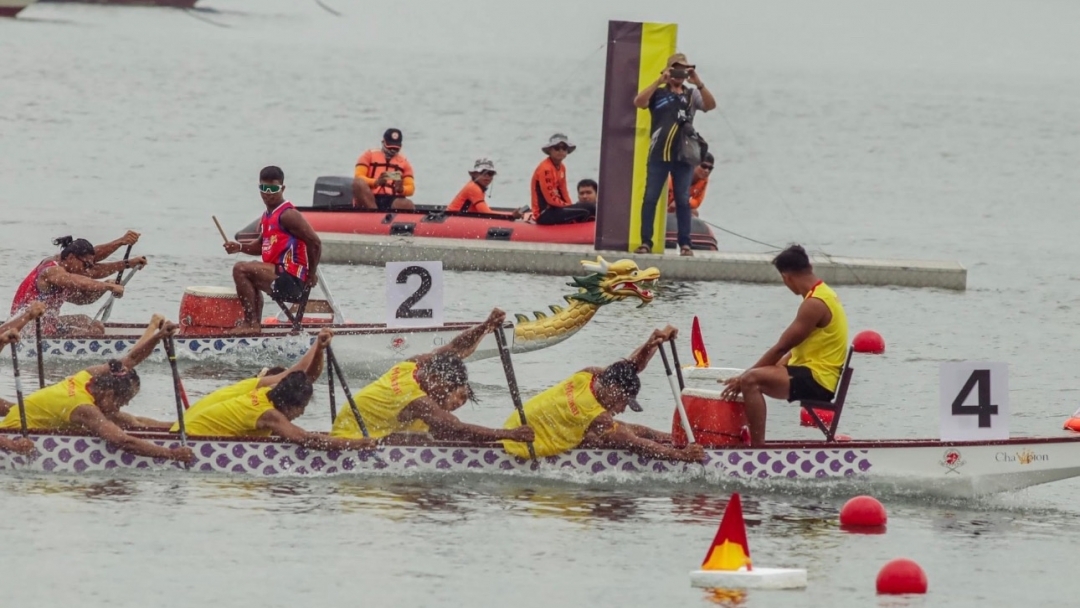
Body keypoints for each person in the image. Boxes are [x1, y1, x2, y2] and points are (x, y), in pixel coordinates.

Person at [0, 315, 195, 464]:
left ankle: (185, 427)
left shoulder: (87, 377)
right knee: (121, 425)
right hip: (14, 444)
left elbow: (131, 360)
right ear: (109, 393)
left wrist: (159, 336)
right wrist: (171, 454)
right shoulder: (82, 406)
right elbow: (123, 442)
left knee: (130, 421)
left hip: (35, 425)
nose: (121, 406)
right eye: (121, 401)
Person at [330, 308, 535, 445]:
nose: (450, 398)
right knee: (443, 429)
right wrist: (509, 435)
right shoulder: (417, 399)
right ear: (436, 378)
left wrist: (486, 326)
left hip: (373, 432)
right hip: (351, 441)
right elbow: (457, 429)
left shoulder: (414, 365)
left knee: (431, 431)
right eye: (449, 391)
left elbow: (456, 347)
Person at [502, 326, 705, 462]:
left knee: (619, 429)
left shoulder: (589, 375)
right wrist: (680, 456)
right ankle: (680, 445)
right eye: (623, 403)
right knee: (617, 435)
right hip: (522, 447)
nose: (622, 409)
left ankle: (674, 438)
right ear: (615, 390)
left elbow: (628, 366)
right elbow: (636, 445)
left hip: (517, 424)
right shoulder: (597, 416)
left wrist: (652, 343)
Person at [719, 245, 849, 445]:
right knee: (756, 375)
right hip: (815, 374)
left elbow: (782, 346)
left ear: (786, 277)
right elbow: (799, 348)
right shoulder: (825, 294)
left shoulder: (814, 304)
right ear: (809, 267)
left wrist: (743, 377)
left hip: (818, 381)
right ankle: (748, 442)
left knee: (751, 380)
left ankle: (756, 450)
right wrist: (777, 366)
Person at [177, 330, 377, 451]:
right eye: (302, 407)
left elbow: (305, 376)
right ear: (289, 404)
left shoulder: (267, 392)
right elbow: (307, 439)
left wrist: (320, 348)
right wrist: (355, 444)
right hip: (188, 442)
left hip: (187, 430)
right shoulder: (269, 414)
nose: (303, 413)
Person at [633, 53, 717, 257]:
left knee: (682, 199)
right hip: (659, 153)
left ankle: (685, 244)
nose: (680, 74)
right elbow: (639, 102)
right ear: (669, 70)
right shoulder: (659, 93)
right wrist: (659, 80)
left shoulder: (691, 95)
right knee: (651, 197)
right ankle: (646, 242)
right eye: (676, 69)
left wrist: (698, 83)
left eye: (684, 70)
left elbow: (710, 105)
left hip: (684, 155)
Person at [222, 166, 322, 334]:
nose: (268, 193)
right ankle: (254, 326)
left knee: (240, 269)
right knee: (248, 274)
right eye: (264, 189)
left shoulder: (288, 215)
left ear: (282, 188)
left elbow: (315, 243)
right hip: (278, 274)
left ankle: (251, 324)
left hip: (291, 280)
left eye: (273, 189)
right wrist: (238, 247)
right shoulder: (267, 216)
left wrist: (311, 274)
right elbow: (260, 246)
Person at [10, 232, 147, 336]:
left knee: (91, 324)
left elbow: (83, 299)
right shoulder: (52, 271)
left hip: (47, 324)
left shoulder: (66, 265)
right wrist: (108, 285)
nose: (88, 269)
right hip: (26, 329)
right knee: (91, 331)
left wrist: (125, 257)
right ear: (70, 258)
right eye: (85, 264)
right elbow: (80, 281)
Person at [530, 134, 596, 225]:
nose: (560, 151)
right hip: (544, 213)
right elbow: (551, 200)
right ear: (550, 150)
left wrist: (572, 206)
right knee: (590, 208)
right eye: (557, 148)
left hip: (557, 209)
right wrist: (571, 207)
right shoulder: (545, 168)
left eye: (564, 148)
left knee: (587, 208)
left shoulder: (562, 167)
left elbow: (564, 193)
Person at [352, 128, 415, 211]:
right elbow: (358, 176)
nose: (392, 151)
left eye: (395, 148)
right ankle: (373, 214)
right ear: (383, 142)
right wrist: (376, 182)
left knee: (407, 204)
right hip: (370, 196)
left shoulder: (405, 163)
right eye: (390, 147)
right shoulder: (368, 155)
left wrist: (401, 189)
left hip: (392, 198)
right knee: (358, 182)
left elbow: (411, 188)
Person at [446, 158, 522, 219]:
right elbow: (486, 213)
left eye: (490, 173)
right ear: (474, 174)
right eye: (483, 172)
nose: (487, 176)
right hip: (454, 218)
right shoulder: (473, 188)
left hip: (458, 217)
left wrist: (510, 214)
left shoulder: (475, 186)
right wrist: (511, 216)